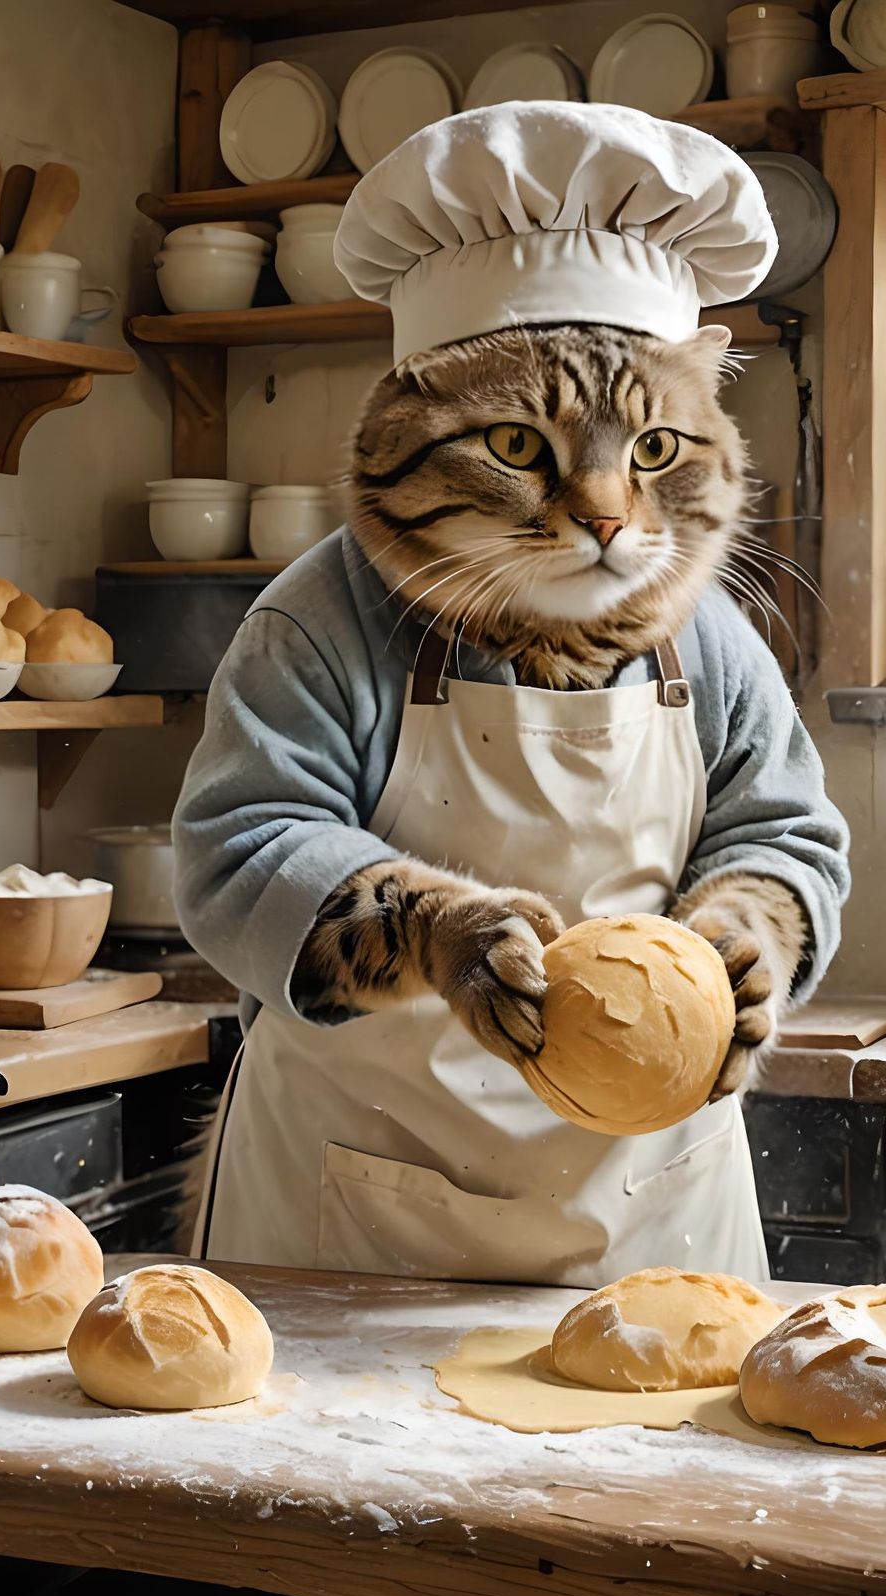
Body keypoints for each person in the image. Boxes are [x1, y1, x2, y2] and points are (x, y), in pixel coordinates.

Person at [174, 101, 850, 1287]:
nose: (602, 511)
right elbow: (236, 856)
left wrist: (747, 936)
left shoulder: (719, 637)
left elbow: (785, 834)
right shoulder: (320, 621)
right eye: (522, 450)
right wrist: (430, 932)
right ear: (404, 419)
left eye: (651, 454)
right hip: (358, 1209)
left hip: (651, 1213)